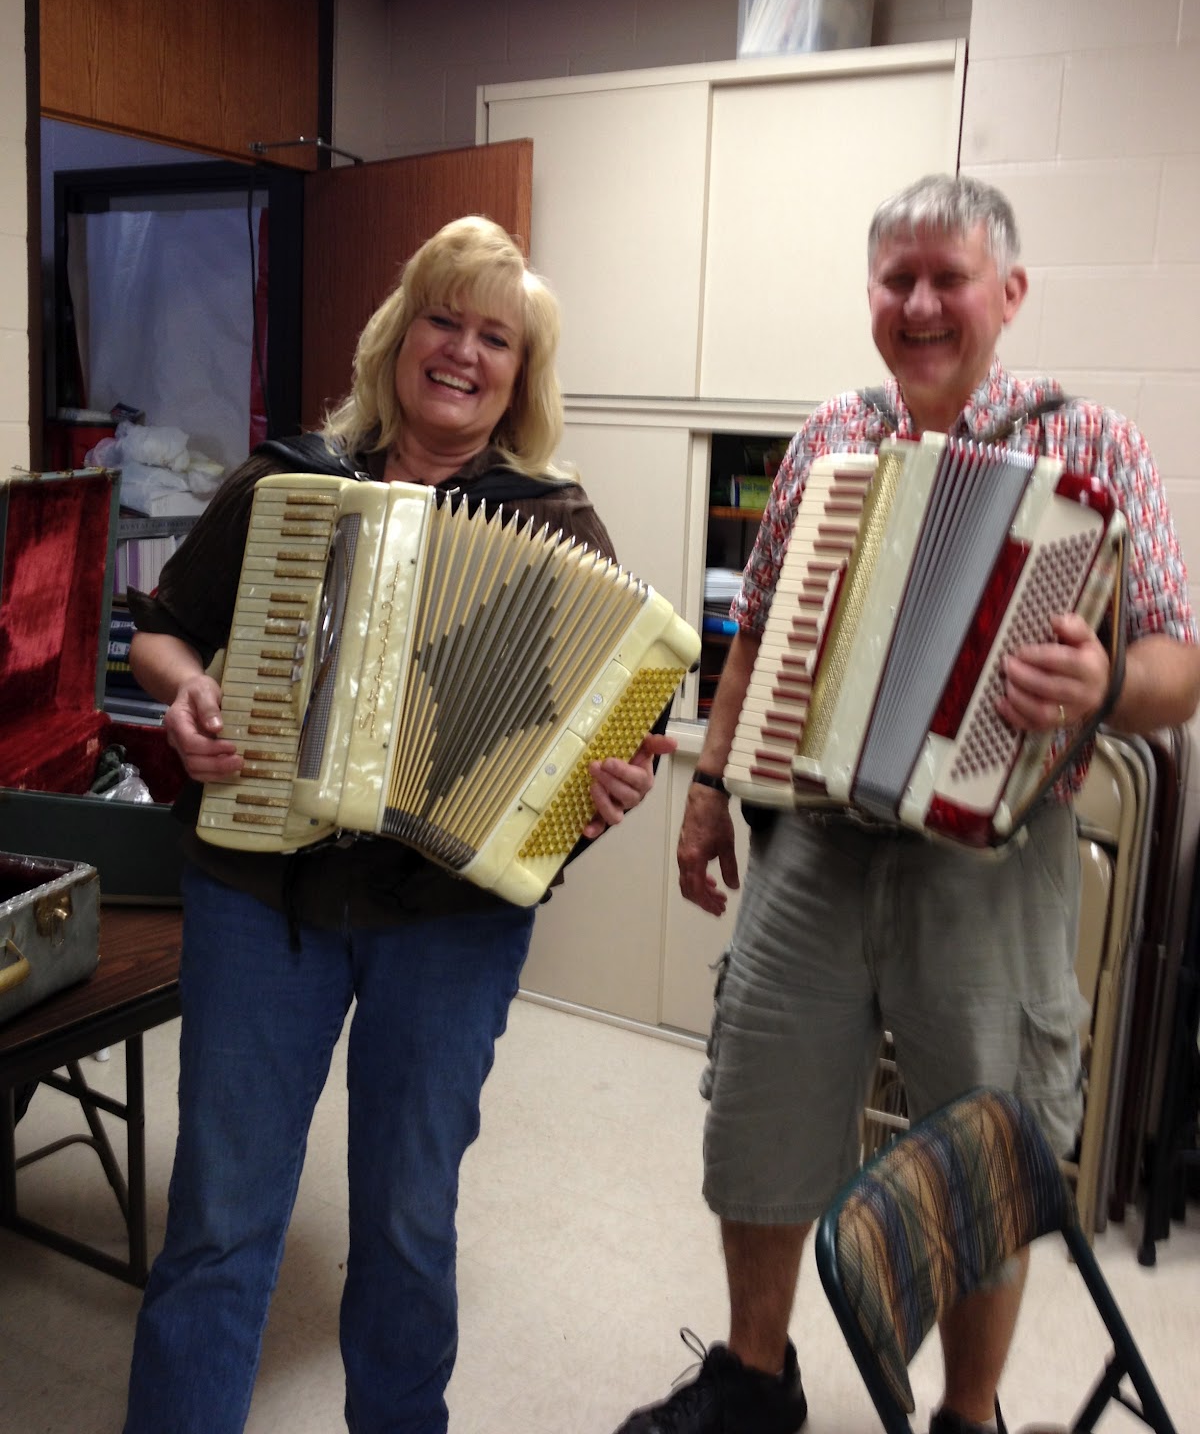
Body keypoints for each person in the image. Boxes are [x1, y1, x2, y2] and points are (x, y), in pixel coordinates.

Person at [613, 175, 1200, 1434]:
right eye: (899, 280)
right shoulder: (831, 433)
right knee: (763, 1110)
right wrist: (710, 787)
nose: (922, 303)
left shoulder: (1093, 444)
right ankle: (754, 1377)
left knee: (985, 1149)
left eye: (950, 277)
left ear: (1009, 292)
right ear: (872, 294)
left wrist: (1104, 685)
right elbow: (755, 625)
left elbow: (1177, 661)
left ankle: (968, 1412)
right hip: (816, 838)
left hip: (995, 858)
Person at [122, 215, 675, 1434]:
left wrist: (602, 793)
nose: (464, 352)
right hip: (260, 893)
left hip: (449, 918)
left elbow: (618, 730)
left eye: (497, 339)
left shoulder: (558, 525)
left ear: (521, 377)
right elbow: (161, 628)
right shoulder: (286, 481)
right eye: (444, 319)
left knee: (410, 1220)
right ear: (400, 332)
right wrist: (187, 691)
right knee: (219, 1218)